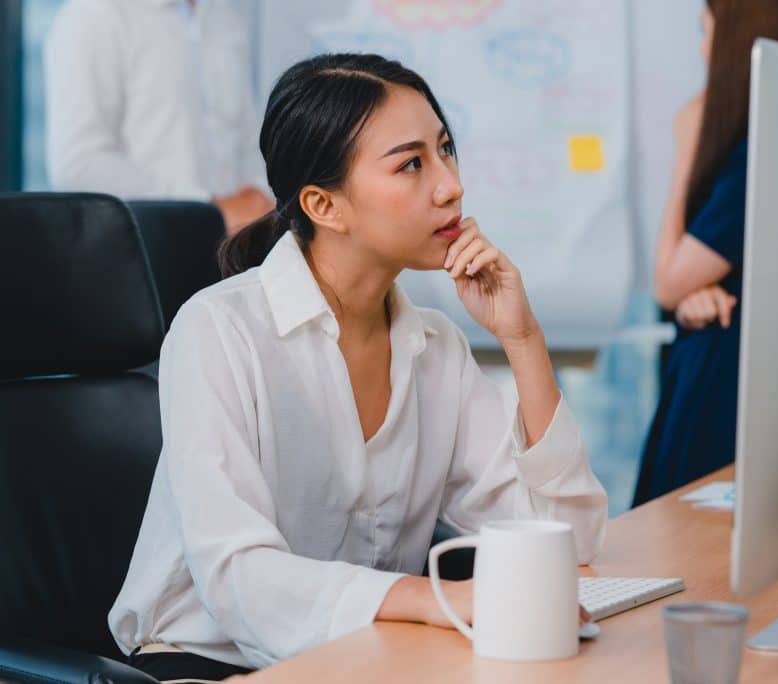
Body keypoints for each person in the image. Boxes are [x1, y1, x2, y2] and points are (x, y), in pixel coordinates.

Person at [108, 53, 607, 681]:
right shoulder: (219, 331)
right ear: (325, 205)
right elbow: (237, 577)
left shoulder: (436, 346)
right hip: (208, 661)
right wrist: (434, 601)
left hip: (365, 656)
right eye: (411, 164)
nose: (450, 184)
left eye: (445, 149)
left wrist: (523, 339)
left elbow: (566, 543)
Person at [633, 0, 778, 506]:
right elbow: (685, 285)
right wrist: (690, 294)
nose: (703, 50)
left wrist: (686, 150)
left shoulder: (759, 154)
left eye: (707, 32)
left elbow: (668, 279)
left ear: (738, 45)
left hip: (728, 395)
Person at [43, 0, 273, 234]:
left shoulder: (224, 18)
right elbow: (79, 164)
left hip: (233, 252)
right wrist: (207, 208)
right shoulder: (94, 14)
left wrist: (259, 195)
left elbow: (249, 141)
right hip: (142, 251)